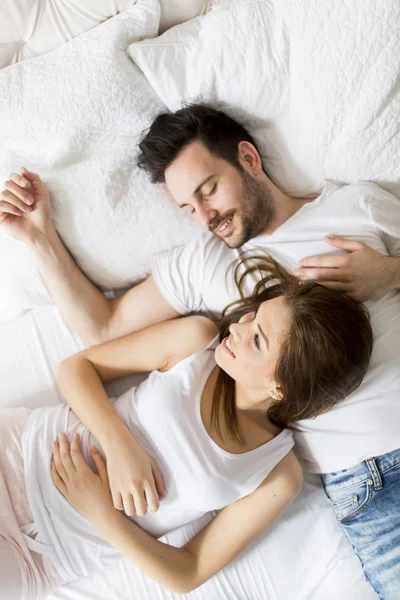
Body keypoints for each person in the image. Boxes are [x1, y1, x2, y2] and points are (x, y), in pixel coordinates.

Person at [1, 104, 399, 598]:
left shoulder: (353, 208)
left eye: (208, 189)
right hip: (367, 479)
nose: (205, 217)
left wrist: (391, 274)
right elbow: (100, 330)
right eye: (188, 208)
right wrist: (40, 238)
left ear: (249, 158)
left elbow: (186, 571)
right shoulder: (206, 274)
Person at [0, 254, 373, 599]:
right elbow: (76, 369)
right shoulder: (196, 344)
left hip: (42, 556)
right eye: (253, 316)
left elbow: (188, 571)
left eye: (257, 339)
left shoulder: (277, 474)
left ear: (280, 388)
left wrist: (103, 515)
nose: (240, 328)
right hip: (21, 453)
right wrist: (121, 447)